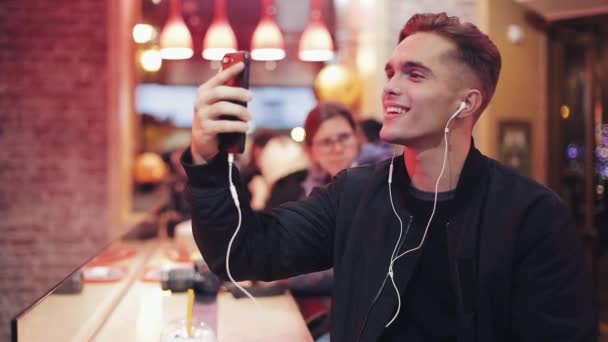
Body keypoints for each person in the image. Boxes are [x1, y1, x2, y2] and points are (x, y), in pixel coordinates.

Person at [182, 12, 596, 341]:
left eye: (414, 74)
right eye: (391, 72)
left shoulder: (531, 215)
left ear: (466, 103)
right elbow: (244, 251)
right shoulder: (356, 193)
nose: (390, 87)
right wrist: (207, 160)